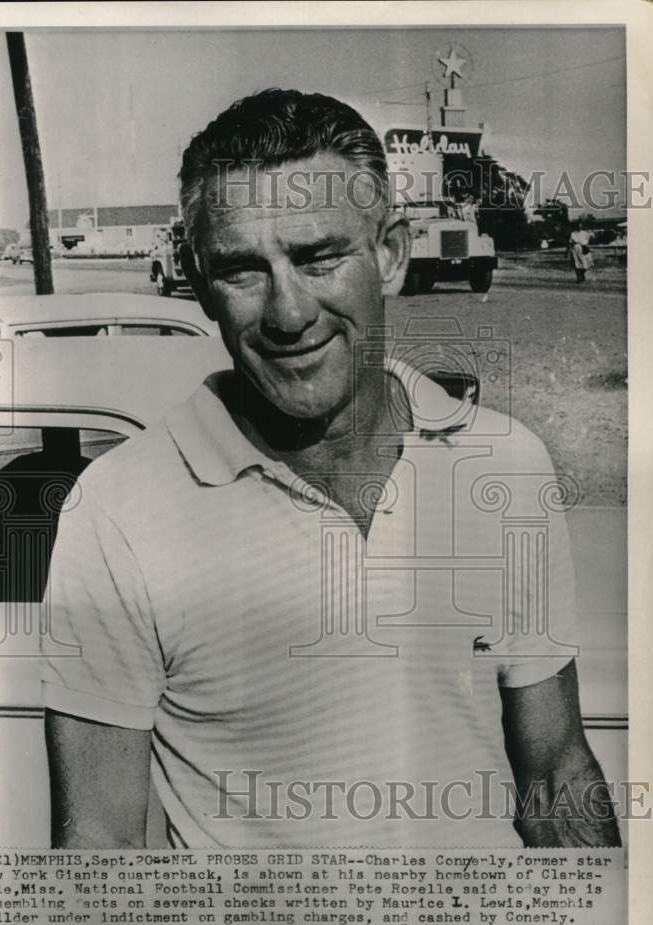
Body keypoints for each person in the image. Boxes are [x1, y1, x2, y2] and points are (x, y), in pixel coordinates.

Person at [42, 89, 619, 849]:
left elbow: (556, 770)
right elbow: (98, 850)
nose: (288, 314)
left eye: (319, 258)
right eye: (243, 270)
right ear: (200, 282)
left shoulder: (505, 465)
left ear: (390, 255)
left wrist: (605, 919)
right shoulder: (118, 509)